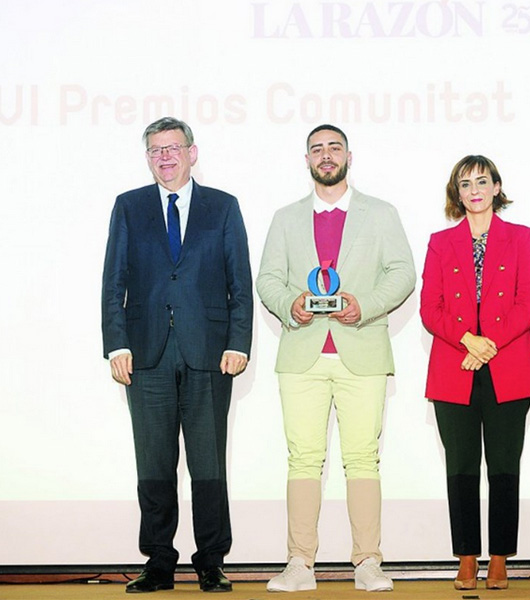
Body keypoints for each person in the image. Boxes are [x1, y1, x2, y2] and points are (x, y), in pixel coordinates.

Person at [256, 124, 415, 593]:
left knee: (363, 458)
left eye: (334, 148)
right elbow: (267, 279)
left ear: (349, 155)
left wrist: (363, 305)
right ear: (306, 160)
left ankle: (367, 561)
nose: (326, 156)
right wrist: (291, 304)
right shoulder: (286, 218)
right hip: (301, 356)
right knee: (303, 459)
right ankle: (300, 564)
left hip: (361, 351)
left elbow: (403, 273)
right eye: (317, 149)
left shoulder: (380, 214)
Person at [101, 117, 253, 593]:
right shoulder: (129, 207)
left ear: (192, 152)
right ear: (148, 158)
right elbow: (114, 281)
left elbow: (239, 282)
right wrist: (116, 343)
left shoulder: (223, 207)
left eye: (173, 148)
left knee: (208, 464)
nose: (165, 157)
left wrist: (238, 341)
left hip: (210, 354)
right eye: (155, 151)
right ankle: (159, 562)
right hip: (145, 357)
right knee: (154, 464)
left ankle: (211, 560)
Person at [420, 155, 530, 590]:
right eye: (465, 183)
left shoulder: (521, 237)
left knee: (504, 467)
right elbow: (429, 309)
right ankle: (468, 558)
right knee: (461, 468)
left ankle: (499, 558)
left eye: (482, 181)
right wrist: (468, 341)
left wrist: (486, 342)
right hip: (454, 368)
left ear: (496, 187)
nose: (474, 189)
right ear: (456, 193)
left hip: (509, 368)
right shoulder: (440, 241)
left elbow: (528, 306)